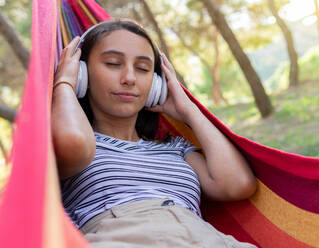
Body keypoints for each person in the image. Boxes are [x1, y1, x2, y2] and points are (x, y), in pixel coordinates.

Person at [52, 19, 257, 248]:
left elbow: (238, 185)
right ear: (82, 73)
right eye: (112, 63)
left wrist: (188, 110)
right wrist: (64, 83)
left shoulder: (176, 149)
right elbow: (73, 143)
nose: (130, 78)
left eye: (142, 68)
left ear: (157, 84)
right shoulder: (66, 148)